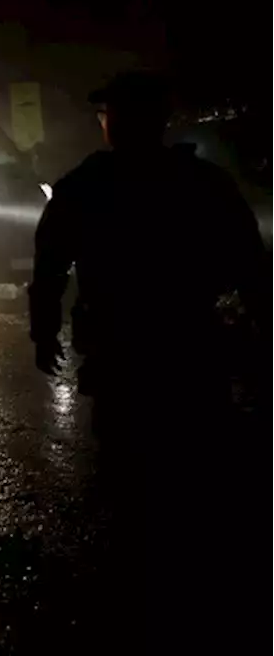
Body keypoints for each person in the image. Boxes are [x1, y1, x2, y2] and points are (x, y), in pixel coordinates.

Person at [29, 70, 267, 648]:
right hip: (188, 347)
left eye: (108, 113)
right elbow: (250, 263)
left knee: (130, 472)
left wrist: (44, 332)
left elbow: (50, 266)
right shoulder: (202, 182)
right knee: (194, 469)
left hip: (125, 350)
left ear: (117, 121)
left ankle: (137, 588)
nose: (106, 123)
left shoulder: (87, 185)